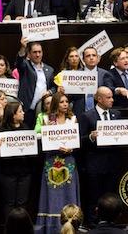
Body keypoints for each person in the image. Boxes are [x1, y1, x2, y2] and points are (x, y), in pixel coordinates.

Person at [78, 87, 124, 226]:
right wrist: (91, 137)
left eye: (112, 97)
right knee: (94, 197)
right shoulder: (87, 116)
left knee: (111, 197)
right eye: (108, 97)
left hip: (112, 164)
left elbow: (120, 139)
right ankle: (93, 224)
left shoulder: (117, 114)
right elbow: (79, 140)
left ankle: (110, 222)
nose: (112, 100)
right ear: (99, 99)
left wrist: (127, 134)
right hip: (94, 165)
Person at [35, 92, 80, 234]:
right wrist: (47, 132)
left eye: (66, 101)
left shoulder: (72, 119)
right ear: (55, 104)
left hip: (68, 159)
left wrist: (71, 148)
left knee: (68, 190)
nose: (65, 104)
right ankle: (51, 227)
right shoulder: (47, 119)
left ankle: (71, 224)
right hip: (51, 160)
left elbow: (76, 140)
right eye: (62, 102)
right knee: (52, 193)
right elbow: (42, 140)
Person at [0, 101, 33, 218]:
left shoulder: (26, 128)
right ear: (13, 115)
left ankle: (22, 226)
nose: (23, 113)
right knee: (9, 203)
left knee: (22, 203)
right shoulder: (2, 130)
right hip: (7, 173)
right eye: (20, 111)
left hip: (24, 172)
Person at [16, 39, 55, 126]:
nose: (37, 55)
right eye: (34, 52)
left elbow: (54, 87)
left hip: (43, 109)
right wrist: (23, 47)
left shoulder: (49, 70)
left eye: (39, 52)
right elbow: (19, 62)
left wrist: (49, 92)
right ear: (29, 54)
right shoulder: (25, 66)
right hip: (27, 109)